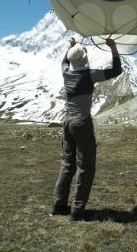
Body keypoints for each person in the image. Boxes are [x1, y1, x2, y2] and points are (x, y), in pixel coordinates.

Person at [50, 38, 122, 220]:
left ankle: (58, 206)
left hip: (66, 121)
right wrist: (113, 48)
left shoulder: (66, 72)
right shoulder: (89, 74)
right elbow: (116, 70)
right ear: (84, 58)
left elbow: (64, 61)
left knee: (67, 165)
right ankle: (77, 211)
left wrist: (70, 47)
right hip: (81, 122)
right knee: (86, 167)